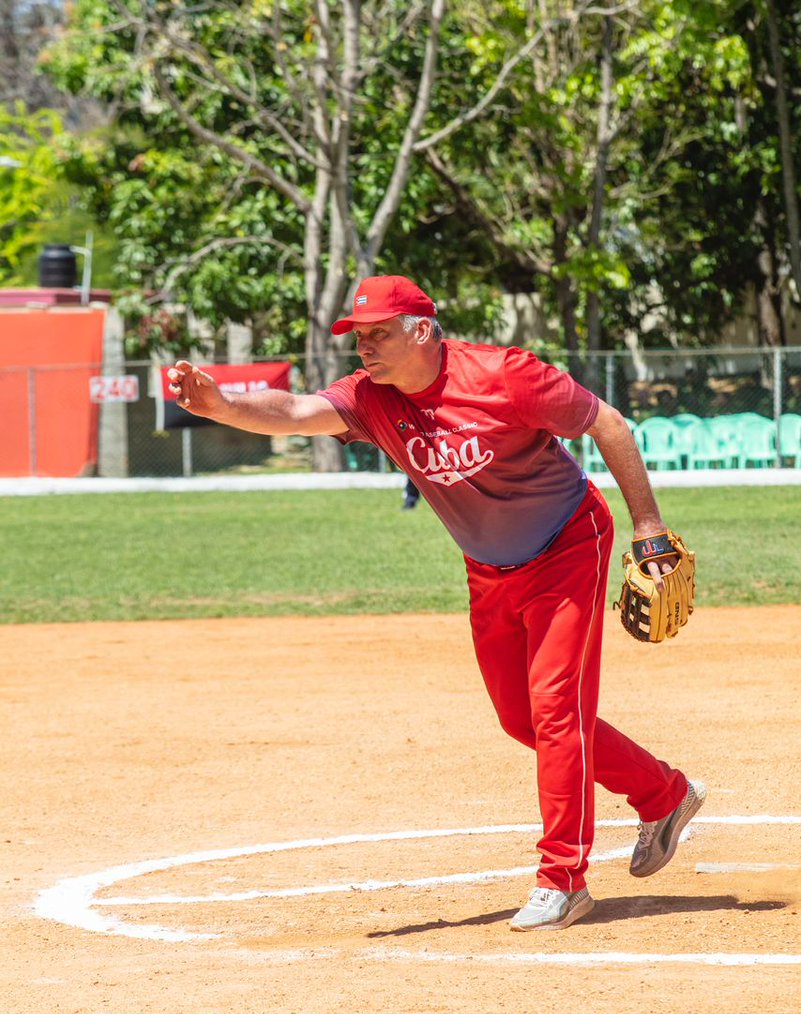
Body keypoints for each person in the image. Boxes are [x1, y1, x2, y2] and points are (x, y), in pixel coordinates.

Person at [168, 274, 705, 932]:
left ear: (421, 331)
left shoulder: (506, 376)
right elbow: (293, 412)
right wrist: (222, 405)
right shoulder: (372, 398)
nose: (365, 348)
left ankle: (562, 878)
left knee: (556, 709)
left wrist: (647, 525)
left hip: (567, 544)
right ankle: (664, 793)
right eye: (358, 337)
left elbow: (608, 424)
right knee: (522, 719)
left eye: (378, 334)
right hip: (488, 567)